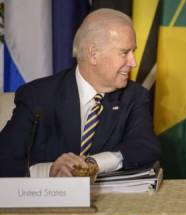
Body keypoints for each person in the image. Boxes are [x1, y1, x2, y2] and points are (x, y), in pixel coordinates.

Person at [0, 9, 160, 177]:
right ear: (93, 54)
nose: (133, 62)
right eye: (125, 52)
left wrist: (91, 164)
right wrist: (50, 170)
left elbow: (146, 147)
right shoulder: (38, 97)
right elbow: (4, 159)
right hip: (47, 199)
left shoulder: (134, 96)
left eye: (133, 52)